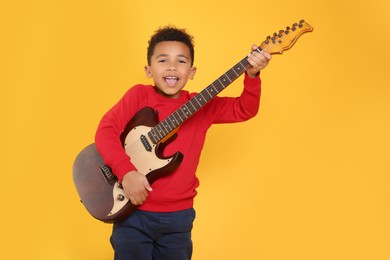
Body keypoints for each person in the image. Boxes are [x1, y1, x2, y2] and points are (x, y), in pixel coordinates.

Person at [95, 25, 271, 260]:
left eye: (181, 61)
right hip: (132, 213)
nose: (171, 67)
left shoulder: (202, 105)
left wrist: (252, 76)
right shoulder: (139, 96)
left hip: (179, 218)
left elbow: (244, 109)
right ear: (148, 70)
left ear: (192, 71)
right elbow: (106, 131)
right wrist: (126, 172)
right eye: (163, 60)